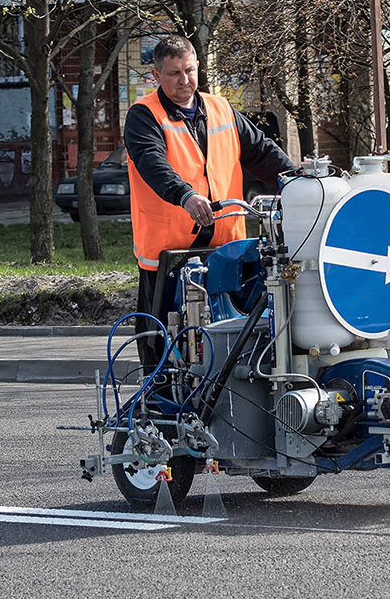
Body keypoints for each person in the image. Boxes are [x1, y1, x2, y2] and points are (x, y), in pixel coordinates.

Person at [124, 34, 294, 372]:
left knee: (238, 330)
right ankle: (157, 403)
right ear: (156, 75)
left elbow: (261, 151)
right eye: (174, 73)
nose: (184, 81)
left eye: (189, 70)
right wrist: (185, 195)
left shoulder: (220, 109)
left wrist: (298, 180)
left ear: (198, 66)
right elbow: (152, 164)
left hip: (225, 246)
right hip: (170, 252)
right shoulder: (144, 116)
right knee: (161, 341)